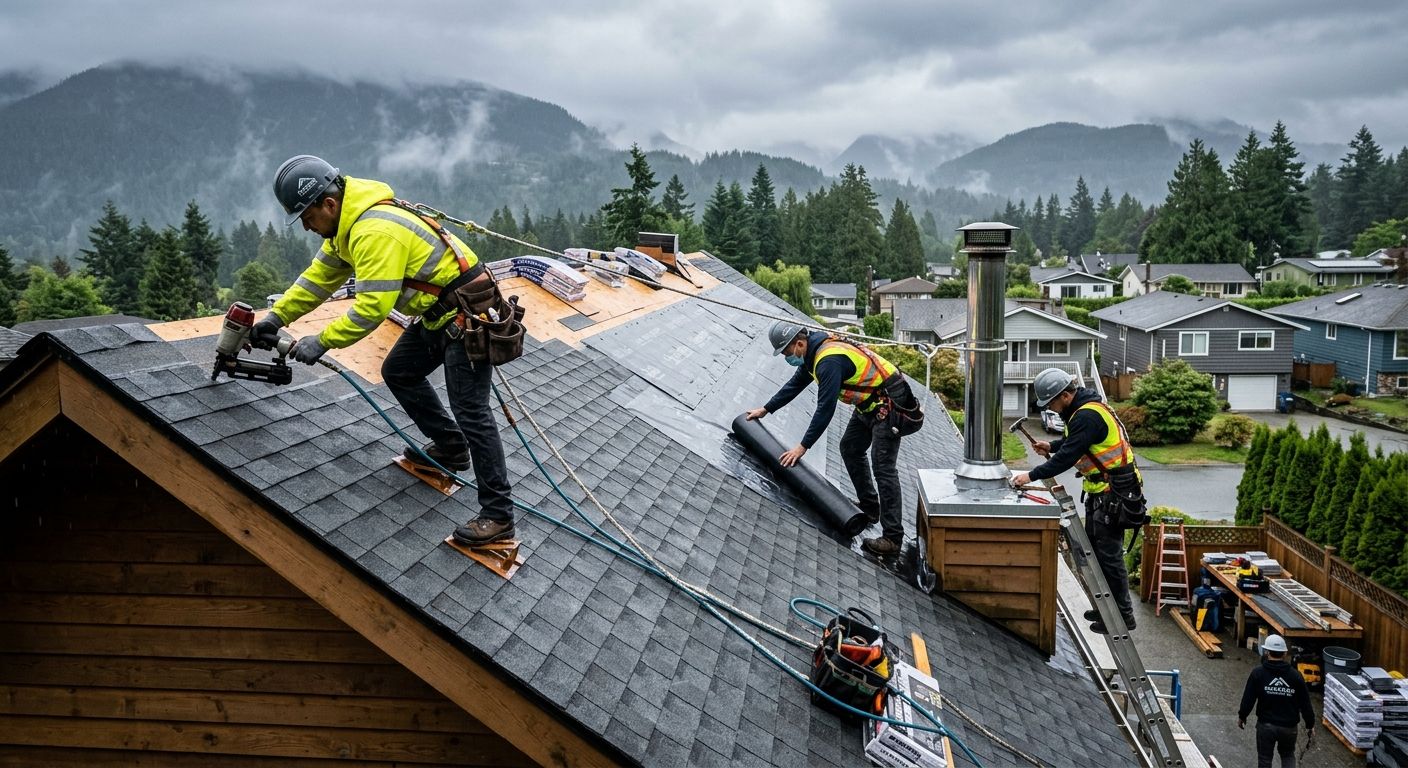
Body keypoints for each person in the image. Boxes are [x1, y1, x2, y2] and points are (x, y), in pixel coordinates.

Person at [250, 154, 515, 545]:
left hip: (465, 317)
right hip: (440, 313)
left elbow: (372, 307)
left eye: (307, 216)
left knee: (472, 410)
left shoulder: (374, 231)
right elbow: (318, 279)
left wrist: (322, 341)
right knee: (399, 371)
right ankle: (450, 447)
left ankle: (499, 516)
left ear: (329, 203)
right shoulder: (345, 229)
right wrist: (277, 317)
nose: (306, 226)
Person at [745, 320, 917, 556]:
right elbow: (795, 384)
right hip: (870, 406)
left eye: (786, 352)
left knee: (883, 468)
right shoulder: (812, 352)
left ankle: (892, 539)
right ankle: (869, 507)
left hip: (890, 407)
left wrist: (802, 447)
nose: (787, 357)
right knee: (850, 447)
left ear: (799, 343)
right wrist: (766, 409)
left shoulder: (828, 361)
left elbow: (825, 408)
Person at [1011, 367, 1139, 633]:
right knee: (1094, 551)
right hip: (1104, 491)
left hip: (1114, 492)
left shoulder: (1087, 416)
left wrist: (1030, 476)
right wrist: (1051, 446)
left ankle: (1123, 615)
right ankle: (1107, 609)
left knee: (1109, 556)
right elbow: (1075, 444)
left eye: (1053, 403)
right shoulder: (1083, 411)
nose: (1052, 409)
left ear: (1066, 395)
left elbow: (1069, 457)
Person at [1238, 634, 1315, 768]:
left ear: (1267, 652)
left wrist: (1242, 716)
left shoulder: (1258, 673)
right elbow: (1305, 703)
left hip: (1266, 726)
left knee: (1265, 759)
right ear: (1285, 653)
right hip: (1289, 728)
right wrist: (1310, 724)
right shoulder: (1295, 676)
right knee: (1288, 755)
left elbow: (1248, 698)